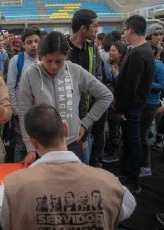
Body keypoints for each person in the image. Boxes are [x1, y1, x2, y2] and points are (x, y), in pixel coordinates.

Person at [0, 104, 136, 230]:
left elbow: (6, 222)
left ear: (33, 143)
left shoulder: (14, 187)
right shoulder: (110, 184)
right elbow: (129, 206)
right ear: (65, 129)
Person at [18, 31, 112, 165]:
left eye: (59, 61)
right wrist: (30, 148)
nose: (53, 66)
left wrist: (86, 123)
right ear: (41, 55)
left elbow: (106, 95)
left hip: (72, 143)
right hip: (43, 145)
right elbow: (24, 112)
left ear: (66, 56)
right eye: (48, 60)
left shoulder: (75, 70)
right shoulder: (30, 74)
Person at [114, 15, 155, 193]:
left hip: (132, 107)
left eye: (125, 30)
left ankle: (134, 180)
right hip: (132, 106)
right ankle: (129, 173)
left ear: (130, 29)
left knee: (134, 141)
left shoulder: (140, 52)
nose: (124, 33)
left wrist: (121, 109)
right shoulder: (138, 49)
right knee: (131, 141)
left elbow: (131, 86)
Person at [67, 9, 105, 167]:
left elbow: (97, 77)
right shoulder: (62, 47)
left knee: (84, 161)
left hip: (86, 114)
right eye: (95, 26)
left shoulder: (93, 49)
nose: (97, 30)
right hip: (65, 114)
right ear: (83, 28)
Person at [7, 27, 41, 162]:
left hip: (40, 112)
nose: (34, 45)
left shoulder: (45, 59)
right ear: (23, 43)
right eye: (29, 42)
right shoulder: (16, 60)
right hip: (22, 112)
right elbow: (11, 86)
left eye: (36, 41)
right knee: (21, 145)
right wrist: (16, 110)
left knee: (40, 145)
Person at [139, 41, 164, 177]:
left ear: (154, 51)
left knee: (143, 135)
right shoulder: (142, 64)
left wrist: (146, 82)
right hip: (138, 102)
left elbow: (161, 85)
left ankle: (145, 166)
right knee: (137, 134)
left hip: (150, 104)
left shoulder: (159, 65)